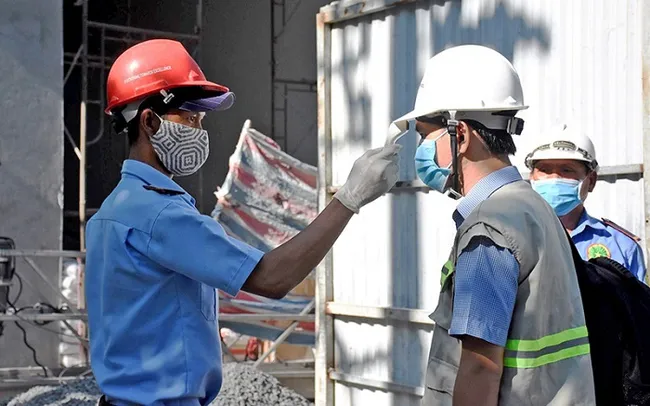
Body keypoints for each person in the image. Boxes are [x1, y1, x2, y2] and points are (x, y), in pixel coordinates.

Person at [85, 39, 401, 406]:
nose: (200, 131)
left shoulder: (113, 212)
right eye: (190, 118)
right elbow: (272, 278)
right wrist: (349, 198)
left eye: (201, 121)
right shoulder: (160, 215)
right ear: (150, 121)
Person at [387, 44, 595, 405]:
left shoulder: (489, 230)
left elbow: (480, 368)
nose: (420, 150)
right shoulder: (532, 205)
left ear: (461, 135)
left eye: (425, 136)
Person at [526, 124, 647, 283]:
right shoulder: (513, 237)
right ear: (531, 178)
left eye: (566, 170)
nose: (554, 179)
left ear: (591, 181)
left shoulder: (621, 245)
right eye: (545, 170)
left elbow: (637, 305)